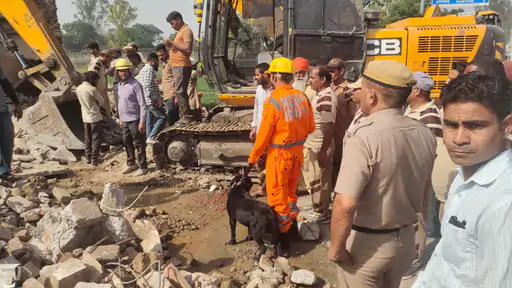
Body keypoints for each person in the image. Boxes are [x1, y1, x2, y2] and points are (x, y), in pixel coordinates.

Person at [329, 60, 437, 288]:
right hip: (406, 240)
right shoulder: (423, 132)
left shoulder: (363, 137)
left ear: (371, 97)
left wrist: (337, 250)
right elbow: (426, 190)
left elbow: (345, 204)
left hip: (367, 245)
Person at [413, 73, 512, 288]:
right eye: (450, 125)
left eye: (475, 126)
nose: (459, 139)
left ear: (506, 126)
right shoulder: (465, 174)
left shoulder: (504, 202)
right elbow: (448, 260)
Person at [247, 57, 315, 254]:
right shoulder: (302, 97)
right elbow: (311, 127)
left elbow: (263, 136)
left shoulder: (273, 101)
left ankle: (283, 243)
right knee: (291, 195)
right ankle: (292, 230)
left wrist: (253, 158)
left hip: (279, 155)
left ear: (275, 76)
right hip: (297, 154)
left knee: (277, 198)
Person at [403, 72, 457, 279]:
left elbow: (429, 152)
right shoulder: (413, 110)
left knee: (418, 219)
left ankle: (414, 260)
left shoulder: (429, 115)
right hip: (409, 173)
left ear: (417, 90)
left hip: (419, 175)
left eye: (408, 86)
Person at [302, 66, 338, 224]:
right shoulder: (320, 95)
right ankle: (318, 208)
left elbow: (330, 126)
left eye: (312, 77)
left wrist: (324, 150)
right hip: (314, 144)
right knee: (314, 179)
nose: (309, 80)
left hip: (320, 146)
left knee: (320, 181)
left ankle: (321, 214)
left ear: (323, 79)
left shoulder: (326, 98)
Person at [326, 57, 357, 184]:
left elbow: (354, 114)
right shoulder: (327, 88)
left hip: (342, 138)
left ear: (342, 71)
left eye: (333, 71)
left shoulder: (348, 89)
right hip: (329, 137)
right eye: (328, 71)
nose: (330, 74)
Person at [116, 59, 148, 176]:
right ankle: (131, 163)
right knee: (126, 141)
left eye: (124, 71)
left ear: (129, 71)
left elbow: (143, 104)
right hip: (124, 120)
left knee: (139, 143)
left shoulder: (135, 85)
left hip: (135, 119)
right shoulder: (120, 85)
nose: (122, 73)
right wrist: (120, 118)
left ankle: (143, 166)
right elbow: (120, 103)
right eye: (120, 71)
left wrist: (142, 121)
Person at [163, 11, 195, 125]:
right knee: (180, 92)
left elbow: (187, 49)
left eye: (172, 23)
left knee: (180, 91)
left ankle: (188, 116)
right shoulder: (181, 31)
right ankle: (185, 116)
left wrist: (172, 42)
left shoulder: (186, 31)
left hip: (182, 65)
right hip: (178, 66)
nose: (172, 26)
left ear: (178, 19)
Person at [249, 62, 273, 198]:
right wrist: (254, 126)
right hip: (260, 133)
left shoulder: (275, 91)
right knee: (260, 163)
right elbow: (257, 109)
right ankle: (263, 188)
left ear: (265, 74)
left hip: (272, 134)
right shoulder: (259, 90)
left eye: (257, 75)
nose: (256, 77)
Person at [76, 71, 105, 166]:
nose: (96, 82)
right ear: (91, 79)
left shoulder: (78, 88)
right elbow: (101, 101)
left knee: (87, 138)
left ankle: (88, 157)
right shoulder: (92, 89)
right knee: (96, 138)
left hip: (85, 117)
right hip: (95, 117)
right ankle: (94, 159)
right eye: (96, 80)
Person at [138, 52, 165, 144]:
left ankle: (148, 139)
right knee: (162, 118)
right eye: (157, 61)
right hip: (150, 100)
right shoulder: (149, 70)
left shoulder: (144, 69)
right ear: (153, 61)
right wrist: (154, 99)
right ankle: (152, 137)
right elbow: (147, 86)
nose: (158, 63)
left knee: (149, 121)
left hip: (147, 100)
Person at [0, 67, 23, 176]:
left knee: (7, 139)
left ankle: (5, 171)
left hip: (2, 109)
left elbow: (4, 82)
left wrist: (16, 103)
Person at [155, 44, 179, 126]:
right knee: (171, 119)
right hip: (167, 95)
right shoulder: (164, 64)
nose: (160, 57)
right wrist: (161, 81)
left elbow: (177, 79)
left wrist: (176, 96)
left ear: (166, 52)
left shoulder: (171, 62)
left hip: (172, 95)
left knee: (172, 119)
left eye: (162, 55)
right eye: (158, 56)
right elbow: (169, 78)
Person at [88, 49, 111, 120]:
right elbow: (92, 77)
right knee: (101, 111)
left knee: (105, 110)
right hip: (97, 91)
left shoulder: (101, 64)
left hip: (102, 91)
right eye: (109, 58)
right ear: (105, 56)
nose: (109, 61)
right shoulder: (96, 63)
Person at [108, 47, 123, 116]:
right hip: (123, 82)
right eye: (112, 53)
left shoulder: (114, 62)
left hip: (117, 82)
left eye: (114, 53)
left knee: (118, 100)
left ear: (119, 53)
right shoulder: (124, 59)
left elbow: (109, 73)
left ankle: (119, 113)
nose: (113, 54)